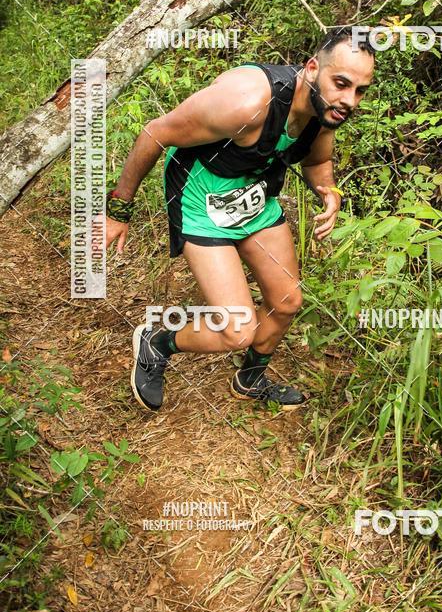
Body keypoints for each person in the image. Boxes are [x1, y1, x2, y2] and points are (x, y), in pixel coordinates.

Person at [104, 27, 375, 411]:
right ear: (313, 69)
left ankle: (249, 378)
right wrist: (119, 209)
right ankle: (157, 342)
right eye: (342, 83)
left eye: (360, 90)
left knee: (286, 301)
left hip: (254, 195)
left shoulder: (324, 111)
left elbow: (319, 161)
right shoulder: (246, 101)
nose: (349, 100)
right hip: (201, 200)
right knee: (238, 329)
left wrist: (328, 193)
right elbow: (155, 133)